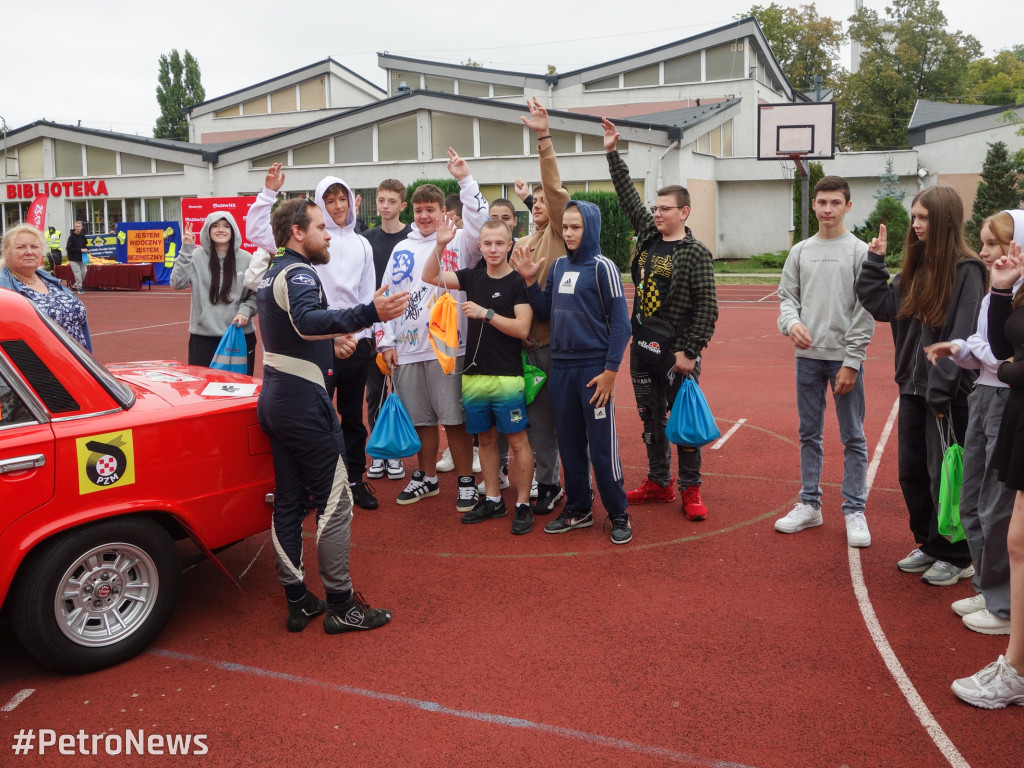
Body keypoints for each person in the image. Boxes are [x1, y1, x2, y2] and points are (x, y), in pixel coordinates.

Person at [256, 197, 408, 635]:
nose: (328, 234)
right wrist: (369, 313)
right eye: (320, 227)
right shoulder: (301, 271)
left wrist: (332, 341)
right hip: (304, 403)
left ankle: (298, 600)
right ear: (297, 232)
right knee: (336, 501)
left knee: (288, 502)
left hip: (277, 397)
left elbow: (294, 332)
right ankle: (342, 604)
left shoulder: (272, 272)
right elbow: (305, 320)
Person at [856, 186, 986, 586]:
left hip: (946, 394)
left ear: (944, 220)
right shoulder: (915, 265)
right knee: (912, 473)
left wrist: (943, 391)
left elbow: (961, 333)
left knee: (946, 474)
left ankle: (957, 554)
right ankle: (930, 543)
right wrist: (875, 261)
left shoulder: (967, 270)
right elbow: (880, 305)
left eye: (924, 218)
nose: (916, 225)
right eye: (914, 217)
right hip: (912, 389)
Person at [602, 117, 719, 522]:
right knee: (650, 420)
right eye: (655, 208)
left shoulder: (696, 253)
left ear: (684, 212)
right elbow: (626, 197)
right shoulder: (649, 238)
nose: (656, 214)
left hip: (677, 353)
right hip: (642, 349)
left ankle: (690, 489)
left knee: (683, 425)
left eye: (665, 209)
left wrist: (690, 351)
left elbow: (708, 308)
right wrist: (612, 152)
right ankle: (659, 482)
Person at [248, 164, 380, 510]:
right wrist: (268, 193)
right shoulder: (304, 240)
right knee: (316, 417)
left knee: (352, 417)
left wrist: (366, 337)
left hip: (354, 341)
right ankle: (314, 487)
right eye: (330, 200)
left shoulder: (362, 245)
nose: (338, 207)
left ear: (352, 202)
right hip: (313, 344)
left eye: (343, 199)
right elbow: (258, 229)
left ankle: (354, 478)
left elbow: (368, 294)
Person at [926, 210, 1023, 635]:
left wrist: (974, 349)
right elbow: (988, 348)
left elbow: (1003, 357)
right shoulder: (996, 293)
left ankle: (1003, 606)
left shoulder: (1017, 297)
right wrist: (961, 348)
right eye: (983, 243)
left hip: (1006, 401)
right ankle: (989, 587)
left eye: (992, 245)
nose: (983, 253)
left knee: (996, 505)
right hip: (984, 395)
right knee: (971, 500)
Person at [513, 200, 632, 544]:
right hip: (560, 369)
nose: (568, 233)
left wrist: (610, 371)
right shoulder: (560, 265)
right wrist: (530, 281)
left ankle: (618, 511)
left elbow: (621, 325)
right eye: (564, 227)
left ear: (590, 228)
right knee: (569, 444)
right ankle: (578, 508)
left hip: (593, 372)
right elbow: (545, 311)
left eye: (575, 227)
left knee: (601, 446)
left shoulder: (603, 267)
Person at [378, 147, 488, 512]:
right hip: (408, 349)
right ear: (413, 212)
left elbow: (479, 219)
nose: (425, 216)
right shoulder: (400, 250)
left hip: (448, 347)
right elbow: (386, 298)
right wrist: (386, 343)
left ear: (443, 211)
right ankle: (425, 477)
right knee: (421, 420)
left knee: (454, 419)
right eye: (419, 210)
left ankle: (466, 482)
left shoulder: (461, 241)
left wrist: (465, 178)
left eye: (431, 210)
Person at [775, 176, 874, 547]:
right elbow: (787, 298)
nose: (827, 209)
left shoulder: (858, 251)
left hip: (843, 361)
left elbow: (866, 310)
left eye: (835, 202)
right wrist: (792, 323)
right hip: (807, 360)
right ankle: (810, 504)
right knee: (808, 434)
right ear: (813, 206)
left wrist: (852, 360)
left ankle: (854, 509)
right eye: (821, 202)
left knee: (853, 436)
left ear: (848, 206)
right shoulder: (800, 250)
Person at [423, 218, 535, 533]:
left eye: (500, 243)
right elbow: (429, 275)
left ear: (510, 244)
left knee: (517, 440)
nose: (493, 249)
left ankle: (523, 503)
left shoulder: (517, 282)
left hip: (507, 376)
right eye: (487, 243)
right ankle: (494, 500)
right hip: (474, 375)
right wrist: (441, 243)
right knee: (484, 439)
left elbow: (522, 328)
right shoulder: (472, 277)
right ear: (479, 246)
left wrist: (487, 314)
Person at [951, 230, 1024, 708]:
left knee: (1015, 537)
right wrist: (1001, 290)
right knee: (1017, 541)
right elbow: (1002, 349)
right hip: (1016, 410)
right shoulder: (1017, 287)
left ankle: (1016, 669)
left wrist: (1014, 369)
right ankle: (1016, 666)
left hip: (1011, 403)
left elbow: (1009, 365)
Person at [506, 97, 571, 516]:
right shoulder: (520, 245)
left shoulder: (557, 238)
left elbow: (554, 191)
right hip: (519, 347)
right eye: (538, 204)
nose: (543, 205)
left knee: (555, 422)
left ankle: (559, 483)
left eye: (548, 202)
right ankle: (542, 482)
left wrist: (544, 140)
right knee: (530, 425)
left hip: (549, 346)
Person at [363, 179, 412, 484]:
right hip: (375, 325)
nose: (385, 206)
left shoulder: (413, 237)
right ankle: (380, 452)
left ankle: (398, 452)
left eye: (391, 201)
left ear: (402, 206)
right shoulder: (366, 240)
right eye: (381, 200)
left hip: (410, 326)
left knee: (406, 393)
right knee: (375, 392)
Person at [171, 212, 258, 375]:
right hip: (204, 338)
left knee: (240, 389)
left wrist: (244, 311)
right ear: (208, 231)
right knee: (203, 391)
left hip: (239, 335)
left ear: (233, 231)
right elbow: (177, 283)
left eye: (226, 226)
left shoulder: (247, 258)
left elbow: (255, 295)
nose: (221, 230)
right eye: (215, 226)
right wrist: (186, 248)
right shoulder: (195, 256)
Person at [1, 224, 92, 350]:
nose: (29, 252)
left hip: (75, 362)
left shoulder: (50, 281)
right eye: (21, 247)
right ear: (6, 252)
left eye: (34, 246)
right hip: (39, 366)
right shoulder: (4, 289)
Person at [65, 221, 89, 293]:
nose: (78, 228)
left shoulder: (83, 236)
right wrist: (80, 250)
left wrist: (86, 249)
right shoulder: (71, 237)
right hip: (73, 258)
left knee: (84, 271)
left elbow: (85, 245)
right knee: (77, 273)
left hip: (82, 258)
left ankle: (76, 284)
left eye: (79, 226)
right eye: (77, 226)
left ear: (81, 227)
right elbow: (68, 248)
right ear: (74, 227)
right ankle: (79, 287)